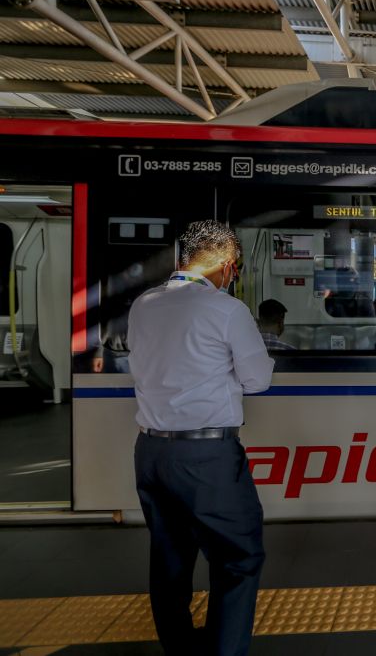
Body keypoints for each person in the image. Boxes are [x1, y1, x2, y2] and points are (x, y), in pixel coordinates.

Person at [128, 220, 274, 656]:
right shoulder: (226, 310)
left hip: (151, 451)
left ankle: (180, 649)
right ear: (228, 266)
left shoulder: (144, 303)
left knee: (170, 561)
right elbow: (257, 380)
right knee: (238, 559)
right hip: (206, 456)